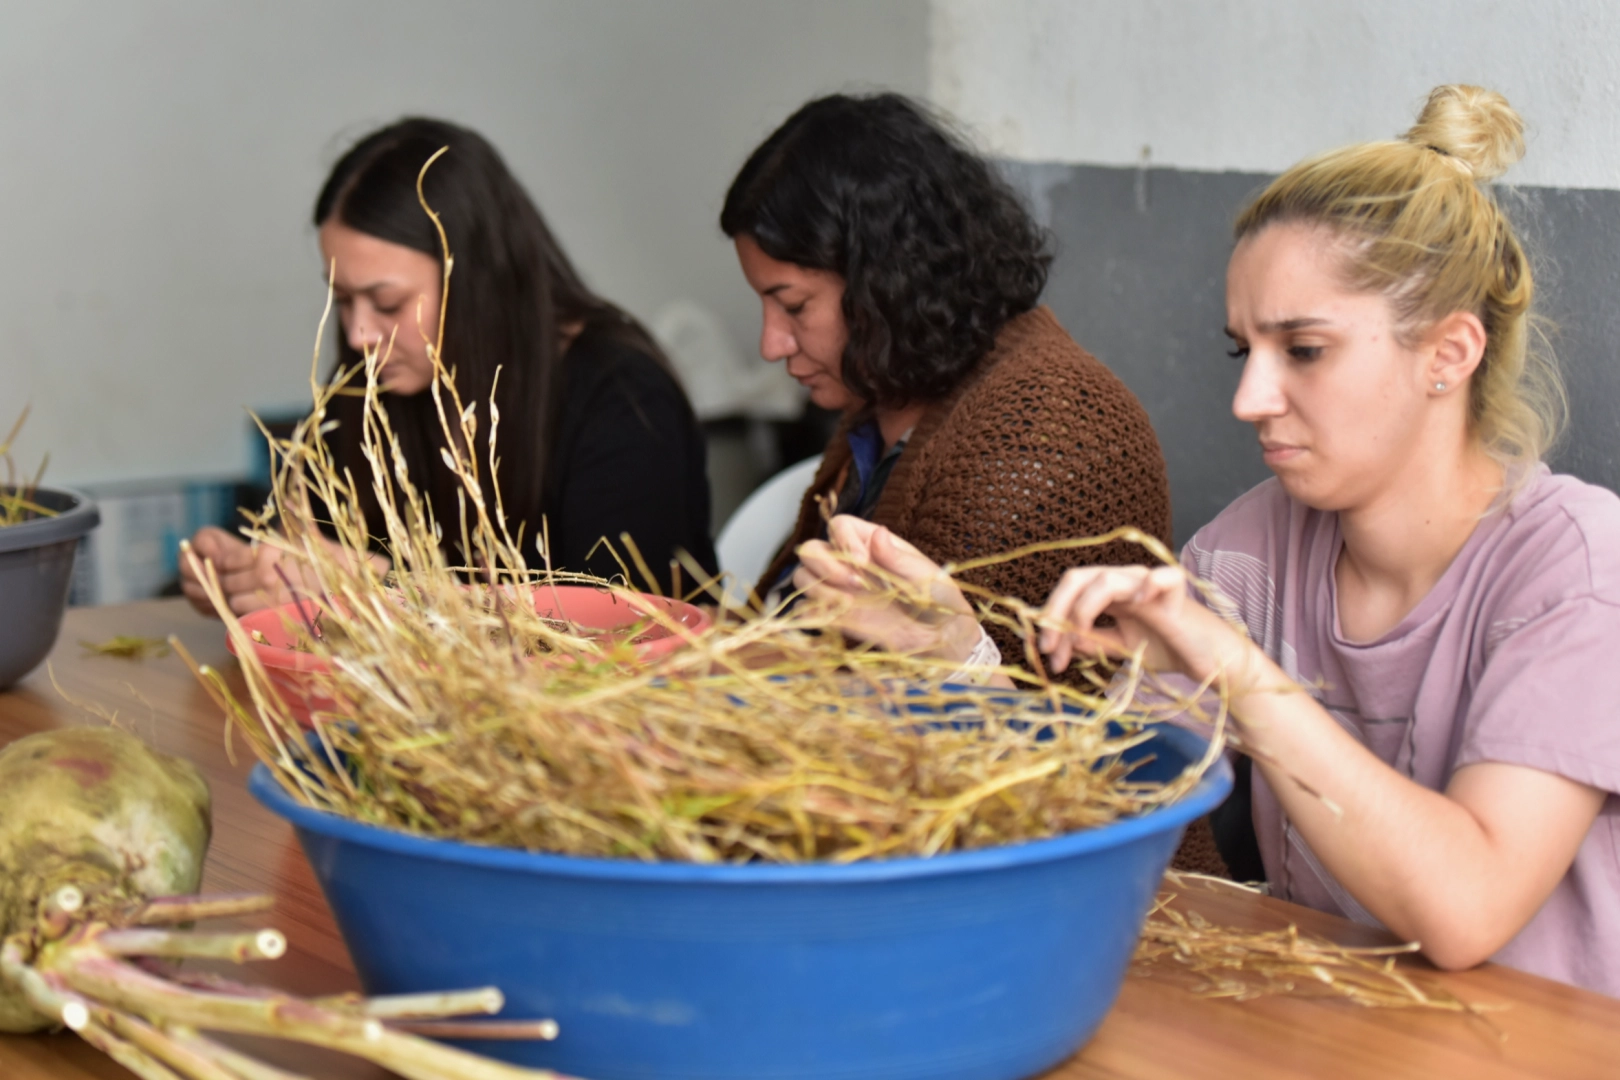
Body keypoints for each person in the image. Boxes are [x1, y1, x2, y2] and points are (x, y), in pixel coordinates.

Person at [797, 85, 1620, 996]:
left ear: (1449, 355)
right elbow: (1100, 810)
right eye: (1245, 352)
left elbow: (1466, 908)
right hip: (1339, 1033)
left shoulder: (1577, 569)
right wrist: (962, 663)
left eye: (1303, 350)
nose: (1249, 400)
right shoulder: (1248, 552)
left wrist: (1239, 676)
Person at [181, 118, 716, 614]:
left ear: (477, 284)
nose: (358, 335)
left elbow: (618, 623)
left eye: (386, 304)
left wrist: (380, 587)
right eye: (341, 301)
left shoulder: (621, 395)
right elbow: (314, 549)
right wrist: (250, 573)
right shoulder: (369, 382)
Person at [721, 92, 1171, 670]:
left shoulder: (1044, 428)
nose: (770, 344)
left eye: (795, 307)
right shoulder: (881, 397)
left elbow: (972, 709)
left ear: (884, 283)